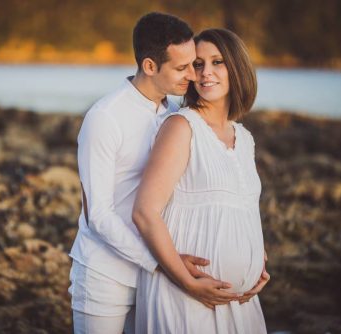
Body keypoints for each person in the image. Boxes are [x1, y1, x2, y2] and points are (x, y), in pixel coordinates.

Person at [68, 13, 232, 334]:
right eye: (182, 68)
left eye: (193, 65)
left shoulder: (176, 115)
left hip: (154, 277)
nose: (192, 76)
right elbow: (97, 215)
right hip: (105, 275)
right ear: (150, 66)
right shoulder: (105, 118)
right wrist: (160, 263)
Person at [133, 28, 270, 333]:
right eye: (198, 64)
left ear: (237, 67)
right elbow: (144, 212)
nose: (206, 72)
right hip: (186, 299)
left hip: (241, 303)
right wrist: (187, 282)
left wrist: (256, 258)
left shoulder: (244, 138)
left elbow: (239, 207)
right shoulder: (181, 127)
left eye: (217, 62)